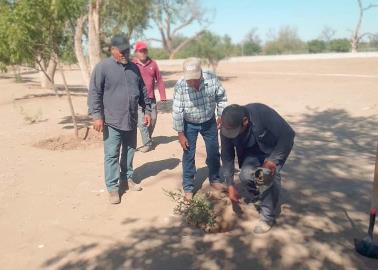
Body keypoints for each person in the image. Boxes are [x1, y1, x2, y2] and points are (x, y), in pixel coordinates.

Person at [88, 34, 152, 204]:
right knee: (111, 155)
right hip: (112, 120)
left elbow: (142, 90)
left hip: (130, 118)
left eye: (126, 50)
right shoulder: (103, 67)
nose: (124, 54)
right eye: (121, 51)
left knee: (130, 151)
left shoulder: (134, 68)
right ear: (112, 50)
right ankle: (112, 188)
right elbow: (95, 92)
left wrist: (146, 109)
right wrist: (97, 116)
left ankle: (127, 178)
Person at [220, 103, 295, 234]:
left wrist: (273, 160)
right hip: (251, 153)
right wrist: (230, 185)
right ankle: (259, 196)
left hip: (272, 151)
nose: (231, 135)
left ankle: (267, 217)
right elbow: (227, 156)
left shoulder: (262, 113)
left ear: (245, 121)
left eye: (235, 132)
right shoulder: (227, 128)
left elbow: (288, 135)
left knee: (264, 176)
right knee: (245, 175)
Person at [172, 57, 228, 200]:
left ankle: (215, 179)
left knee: (214, 150)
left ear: (201, 73)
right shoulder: (180, 86)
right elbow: (177, 111)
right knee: (188, 154)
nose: (191, 83)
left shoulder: (212, 80)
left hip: (209, 122)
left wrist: (220, 115)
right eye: (189, 80)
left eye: (194, 79)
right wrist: (180, 133)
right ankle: (188, 187)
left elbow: (221, 98)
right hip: (189, 124)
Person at [133, 41, 167, 153]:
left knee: (153, 120)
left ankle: (147, 138)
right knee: (142, 122)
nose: (143, 53)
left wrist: (163, 96)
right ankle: (147, 144)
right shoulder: (132, 64)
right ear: (136, 52)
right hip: (138, 100)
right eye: (140, 51)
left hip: (151, 98)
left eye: (145, 50)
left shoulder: (153, 64)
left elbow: (160, 80)